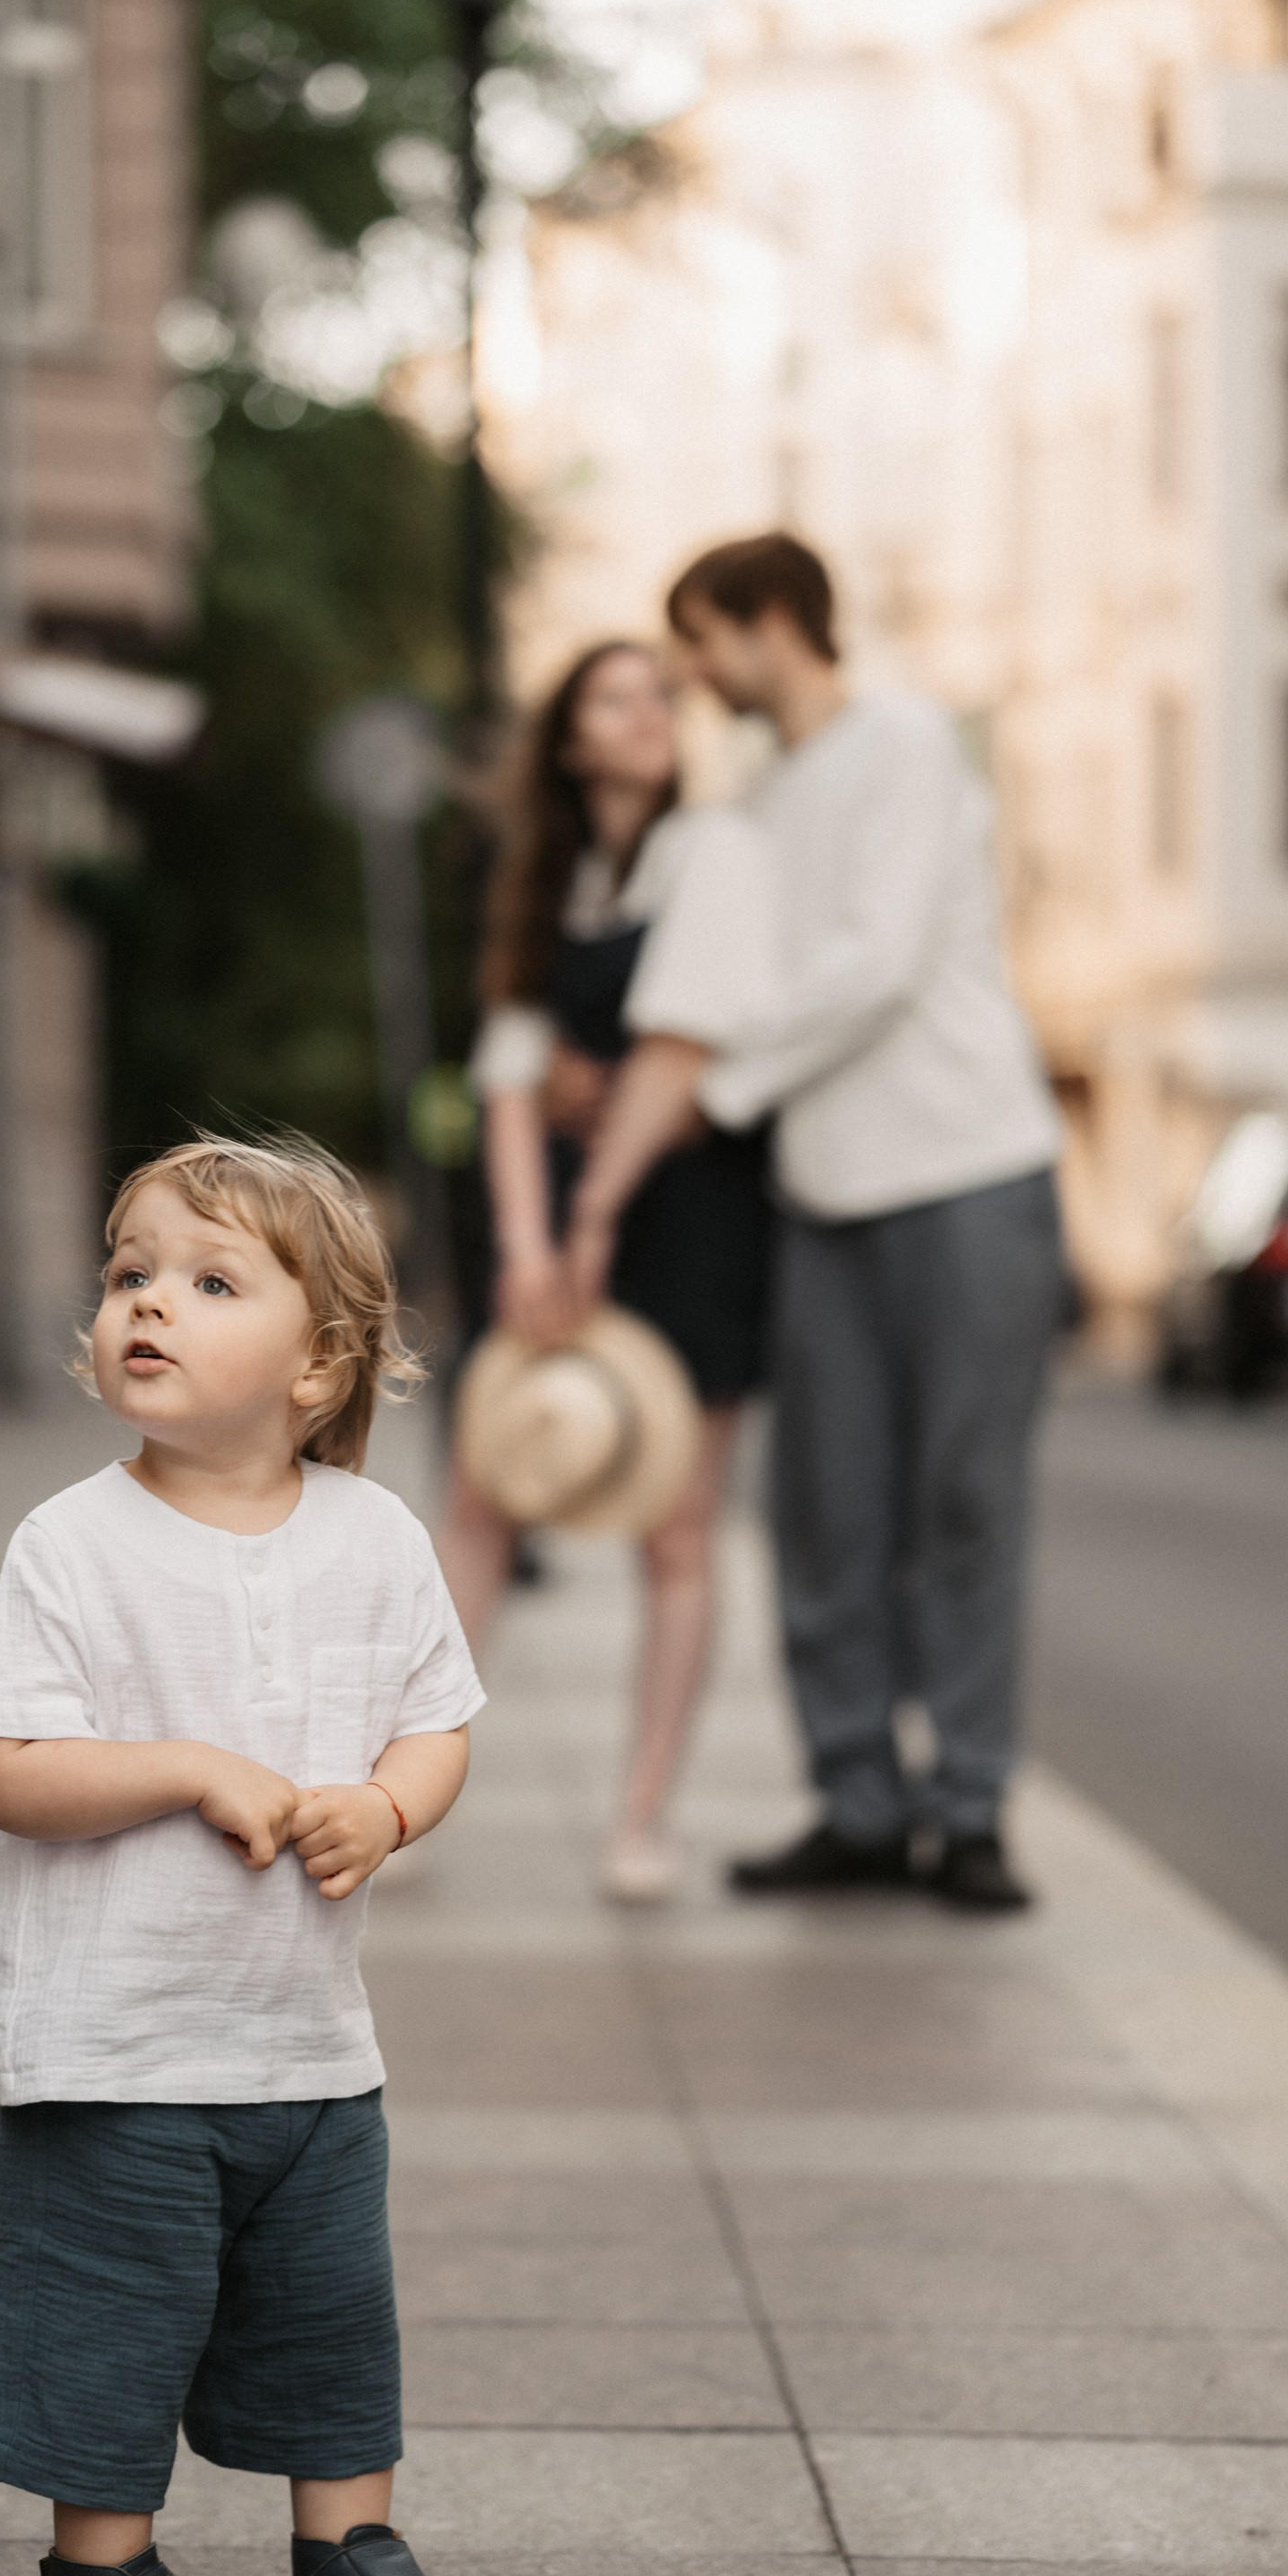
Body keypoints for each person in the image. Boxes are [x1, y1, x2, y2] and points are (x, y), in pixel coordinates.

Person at [0, 1135, 494, 2576]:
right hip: (114, 2043)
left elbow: (437, 1723)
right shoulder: (72, 1542)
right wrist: (186, 1769)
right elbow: (11, 1775)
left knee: (331, 2325)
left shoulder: (374, 1541)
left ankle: (352, 2563)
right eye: (128, 1274)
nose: (148, 1306)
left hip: (308, 2042)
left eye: (206, 1280)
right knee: (110, 2326)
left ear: (318, 1363)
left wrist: (387, 1806)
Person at [565, 534, 1065, 1913]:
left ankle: (966, 1811)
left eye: (704, 641)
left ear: (773, 620)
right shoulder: (762, 800)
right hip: (820, 1194)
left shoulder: (903, 742)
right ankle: (855, 1799)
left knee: (963, 1502)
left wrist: (713, 1090)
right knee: (825, 1513)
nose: (695, 673)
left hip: (965, 1169)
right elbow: (723, 975)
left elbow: (875, 964)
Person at [437, 640, 770, 1903]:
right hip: (567, 1212)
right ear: (570, 738)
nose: (650, 716)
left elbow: (682, 1057)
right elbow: (514, 1084)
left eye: (659, 696)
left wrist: (597, 1204)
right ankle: (400, 1791)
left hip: (693, 1221)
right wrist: (529, 1246)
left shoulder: (718, 854)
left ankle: (643, 1816)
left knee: (677, 1526)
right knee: (481, 1491)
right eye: (616, 696)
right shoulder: (539, 878)